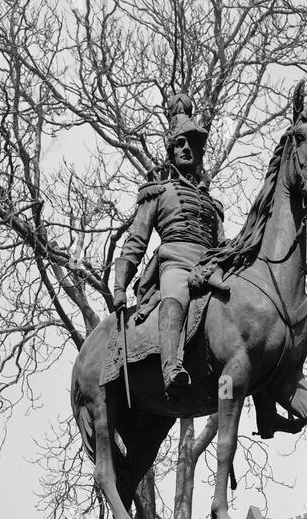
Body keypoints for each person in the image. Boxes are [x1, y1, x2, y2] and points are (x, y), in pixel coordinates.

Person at [111, 94, 227, 397]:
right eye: (180, 144)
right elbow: (136, 240)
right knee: (175, 298)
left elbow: (223, 243)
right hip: (175, 263)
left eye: (192, 143)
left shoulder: (212, 204)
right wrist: (119, 286)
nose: (187, 148)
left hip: (210, 265)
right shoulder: (158, 193)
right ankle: (171, 368)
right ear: (171, 152)